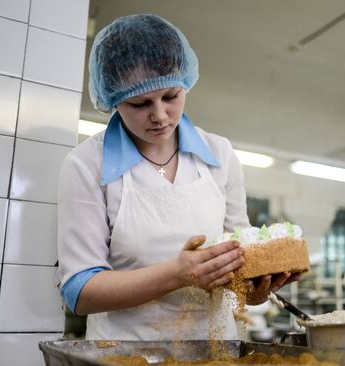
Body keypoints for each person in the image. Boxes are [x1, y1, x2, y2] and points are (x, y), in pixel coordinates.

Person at [57, 13, 300, 341]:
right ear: (114, 100)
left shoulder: (220, 155)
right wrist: (178, 273)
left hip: (214, 351)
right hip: (126, 353)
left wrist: (255, 289)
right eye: (140, 103)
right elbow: (80, 291)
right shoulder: (87, 164)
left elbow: (238, 264)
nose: (159, 115)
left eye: (171, 96)